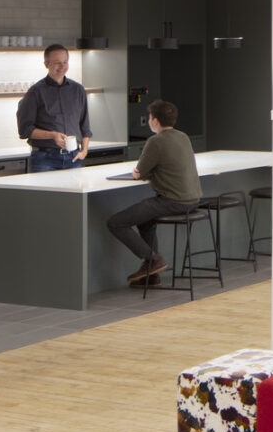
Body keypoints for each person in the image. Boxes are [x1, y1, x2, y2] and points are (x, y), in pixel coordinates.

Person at [106, 99, 201, 285]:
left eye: (149, 118)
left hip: (172, 201)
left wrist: (138, 172)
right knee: (145, 220)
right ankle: (152, 274)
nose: (149, 121)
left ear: (155, 121)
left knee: (115, 223)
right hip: (193, 199)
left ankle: (153, 259)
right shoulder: (183, 136)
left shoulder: (155, 141)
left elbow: (139, 172)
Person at [16, 43, 90, 172]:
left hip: (74, 158)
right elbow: (25, 130)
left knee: (74, 193)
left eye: (65, 62)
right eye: (57, 63)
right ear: (46, 64)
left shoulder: (78, 90)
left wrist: (84, 151)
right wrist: (52, 135)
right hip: (44, 159)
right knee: (44, 193)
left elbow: (85, 126)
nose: (62, 67)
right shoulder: (35, 92)